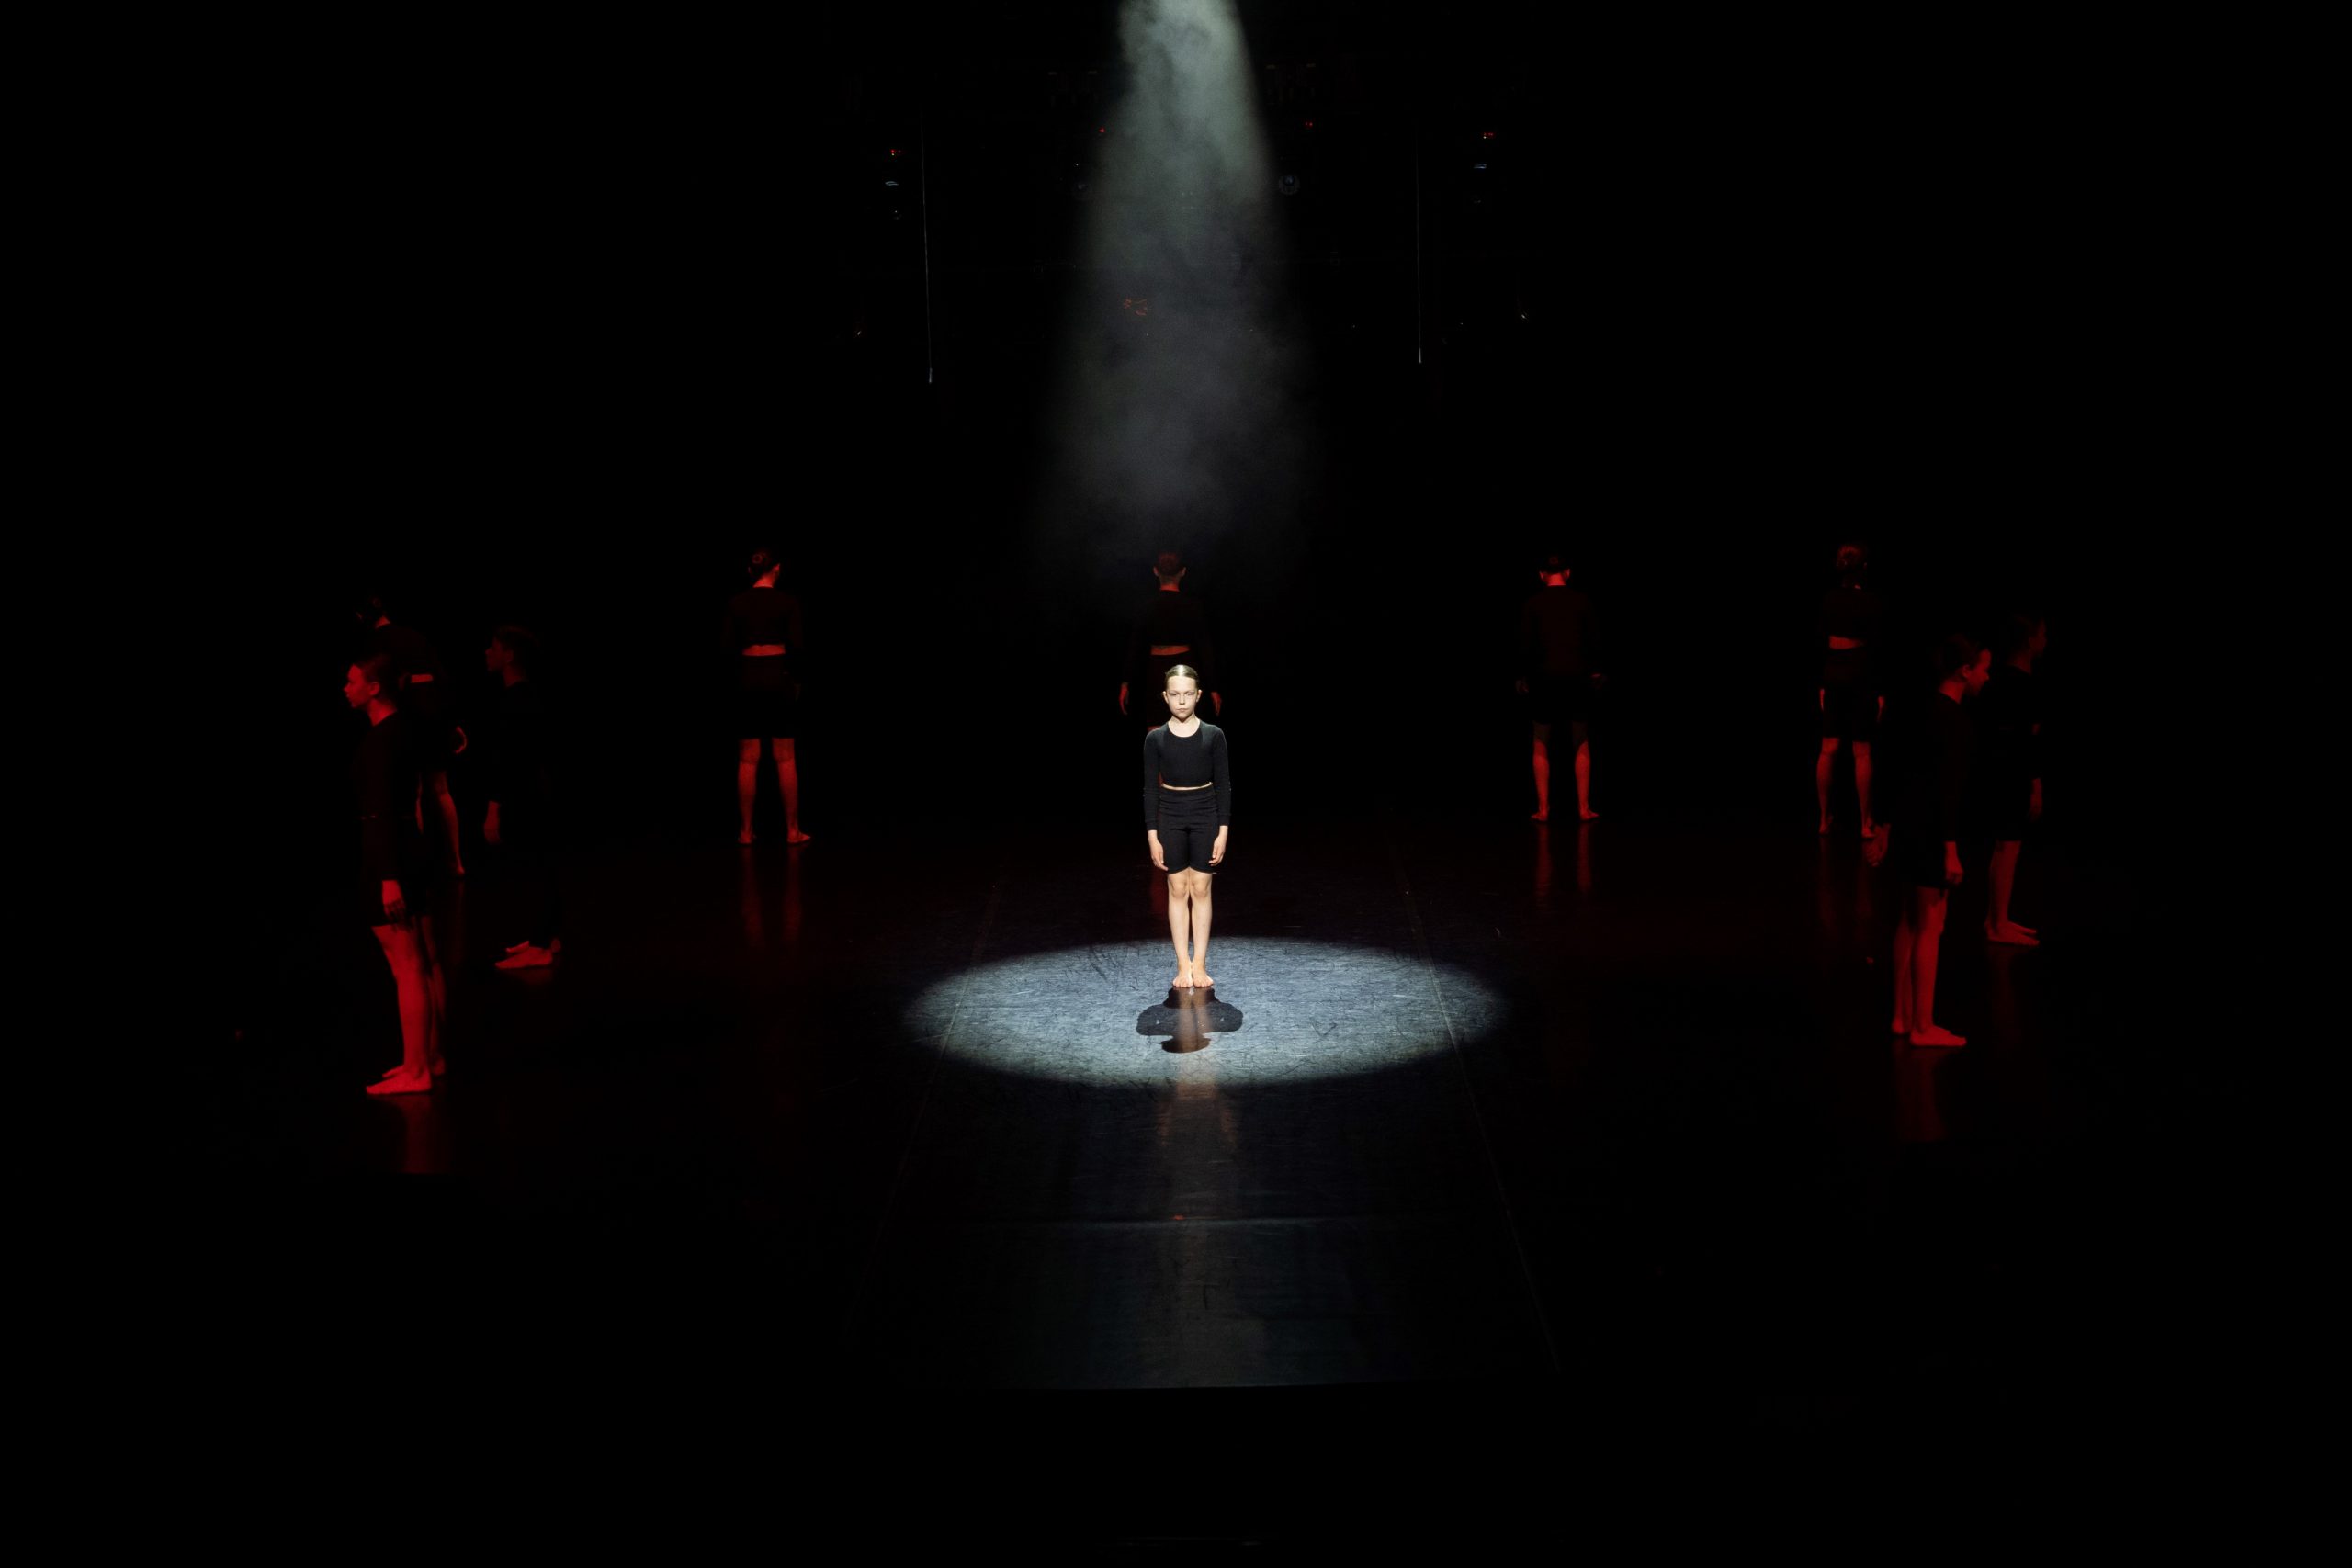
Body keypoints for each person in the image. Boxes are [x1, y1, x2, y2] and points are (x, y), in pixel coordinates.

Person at [1873, 632, 1992, 1047]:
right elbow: (1947, 791)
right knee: (1930, 925)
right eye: (1984, 669)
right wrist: (1950, 849)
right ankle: (1923, 1025)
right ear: (1964, 671)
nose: (1987, 677)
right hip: (1930, 832)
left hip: (1909, 826)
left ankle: (1901, 1016)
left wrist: (1884, 825)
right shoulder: (1955, 723)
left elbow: (1893, 770)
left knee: (1908, 920)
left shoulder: (1919, 711)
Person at [344, 651, 446, 1095]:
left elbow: (382, 809)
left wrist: (388, 877)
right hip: (410, 848)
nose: (345, 689)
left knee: (406, 966)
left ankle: (416, 1069)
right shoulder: (406, 730)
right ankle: (429, 1057)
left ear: (374, 688)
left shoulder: (381, 741)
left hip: (391, 856)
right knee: (423, 961)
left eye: (352, 681)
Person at [359, 591, 467, 875]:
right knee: (441, 789)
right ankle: (456, 860)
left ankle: (416, 863)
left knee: (413, 793)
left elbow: (387, 684)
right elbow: (442, 677)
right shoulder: (415, 636)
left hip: (410, 717)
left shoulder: (376, 643)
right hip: (435, 714)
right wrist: (450, 720)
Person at [1142, 665, 1231, 989]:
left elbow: (1223, 784)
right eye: (1175, 694)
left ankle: (1200, 963)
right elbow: (1150, 789)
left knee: (1202, 887)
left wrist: (1223, 830)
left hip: (1205, 810)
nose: (1182, 701)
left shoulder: (1213, 735)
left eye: (1188, 694)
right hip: (1171, 812)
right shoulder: (1155, 738)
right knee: (1177, 887)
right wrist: (1152, 835)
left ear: (1198, 695)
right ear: (1165, 697)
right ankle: (1183, 963)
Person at [483, 626, 561, 970]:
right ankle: (546, 936)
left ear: (510, 655)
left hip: (526, 797)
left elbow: (508, 761)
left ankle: (542, 945)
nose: (487, 652)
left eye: (494, 647)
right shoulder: (529, 697)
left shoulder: (515, 702)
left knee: (535, 868)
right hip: (537, 793)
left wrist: (493, 808)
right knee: (540, 865)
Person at [724, 545, 809, 844]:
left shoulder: (736, 603)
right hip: (777, 676)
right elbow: (798, 646)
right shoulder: (788, 602)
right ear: (777, 569)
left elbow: (726, 647)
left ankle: (745, 832)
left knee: (747, 759)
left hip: (748, 677)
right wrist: (794, 681)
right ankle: (792, 830)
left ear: (750, 571)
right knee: (785, 757)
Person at [1515, 552, 1602, 822]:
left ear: (1542, 575)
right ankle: (1583, 808)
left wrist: (1523, 677)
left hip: (1543, 678)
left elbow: (1525, 646)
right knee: (1581, 740)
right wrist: (1596, 672)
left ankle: (1543, 809)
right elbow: (1594, 641)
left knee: (1541, 740)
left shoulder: (1532, 604)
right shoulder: (1583, 601)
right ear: (1567, 573)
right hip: (1577, 677)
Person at [1979, 612, 2048, 946]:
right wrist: (2035, 784)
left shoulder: (1996, 682)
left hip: (1998, 771)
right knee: (2007, 846)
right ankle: (1997, 923)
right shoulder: (2025, 686)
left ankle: (1998, 917)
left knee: (2007, 846)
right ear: (2029, 640)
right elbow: (2028, 741)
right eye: (2042, 634)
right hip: (2012, 774)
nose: (2045, 641)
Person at [1815, 543, 1885, 838]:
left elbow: (1821, 642)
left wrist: (1823, 682)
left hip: (1833, 670)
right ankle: (1865, 823)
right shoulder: (1870, 602)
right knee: (1862, 750)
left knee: (1828, 747)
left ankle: (1823, 819)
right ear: (1864, 569)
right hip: (1860, 673)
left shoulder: (1828, 599)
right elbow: (1877, 648)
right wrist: (1879, 690)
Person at [1119, 551, 1221, 727]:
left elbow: (1135, 647)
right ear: (1183, 571)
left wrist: (1125, 682)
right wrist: (1213, 688)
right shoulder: (1192, 605)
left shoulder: (1147, 606)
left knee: (1157, 728)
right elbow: (1205, 649)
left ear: (1155, 571)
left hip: (1157, 669)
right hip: (1185, 668)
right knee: (1185, 729)